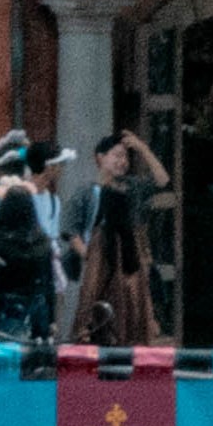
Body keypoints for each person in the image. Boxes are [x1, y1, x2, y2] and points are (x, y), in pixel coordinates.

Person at [70, 133, 172, 349]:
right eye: (117, 155)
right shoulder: (86, 192)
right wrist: (92, 259)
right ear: (100, 158)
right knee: (93, 316)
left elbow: (162, 179)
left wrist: (142, 148)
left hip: (128, 261)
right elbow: (72, 233)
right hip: (96, 264)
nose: (122, 161)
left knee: (130, 314)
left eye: (125, 156)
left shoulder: (132, 187)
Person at [0, 139, 54, 343]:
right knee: (36, 358)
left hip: (9, 309)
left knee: (8, 355)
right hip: (38, 310)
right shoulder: (43, 241)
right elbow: (49, 282)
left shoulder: (1, 242)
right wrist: (52, 318)